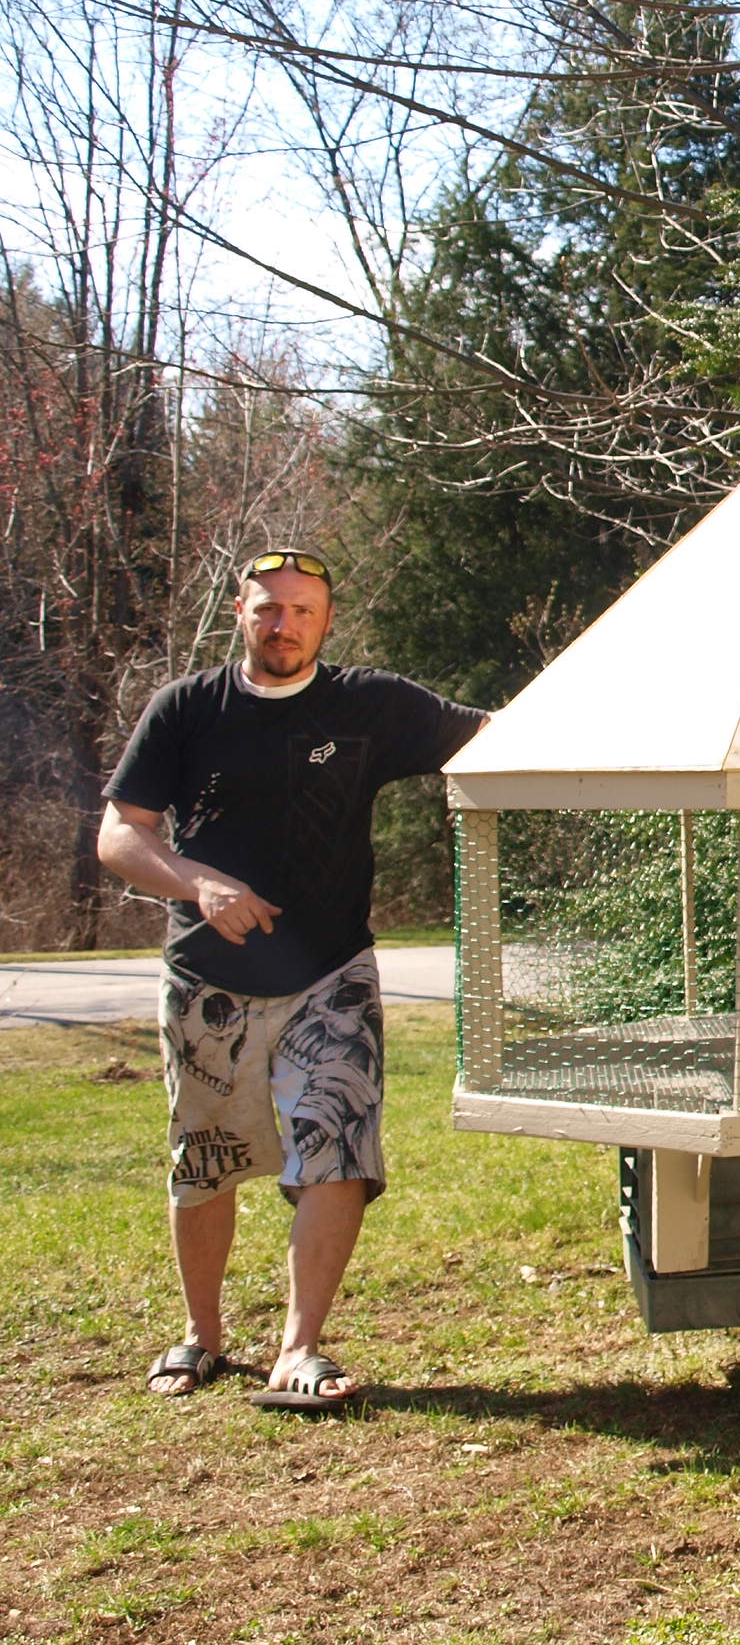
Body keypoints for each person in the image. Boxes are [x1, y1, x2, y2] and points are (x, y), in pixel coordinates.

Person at [97, 549, 487, 1409]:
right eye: (269, 609)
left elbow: (501, 731)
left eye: (302, 612)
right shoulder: (186, 710)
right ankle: (201, 1337)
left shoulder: (372, 704)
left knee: (338, 1147)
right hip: (209, 977)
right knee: (205, 1161)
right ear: (240, 612)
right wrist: (196, 881)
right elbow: (120, 836)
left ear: (327, 620)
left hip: (331, 969)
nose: (285, 626)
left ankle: (300, 1347)